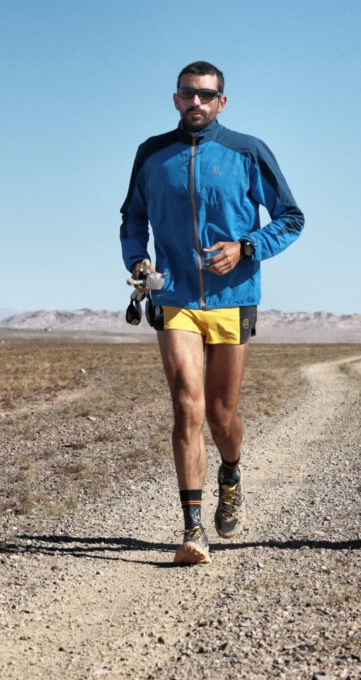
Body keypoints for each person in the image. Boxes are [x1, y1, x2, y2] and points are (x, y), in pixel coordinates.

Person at [120, 61, 304, 565]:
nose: (196, 102)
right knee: (187, 406)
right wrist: (137, 258)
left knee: (222, 418)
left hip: (233, 298)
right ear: (175, 99)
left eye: (206, 95)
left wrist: (247, 248)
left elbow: (291, 218)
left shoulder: (247, 151)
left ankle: (231, 470)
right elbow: (132, 217)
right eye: (187, 94)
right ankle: (192, 528)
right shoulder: (152, 154)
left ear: (222, 102)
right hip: (174, 295)